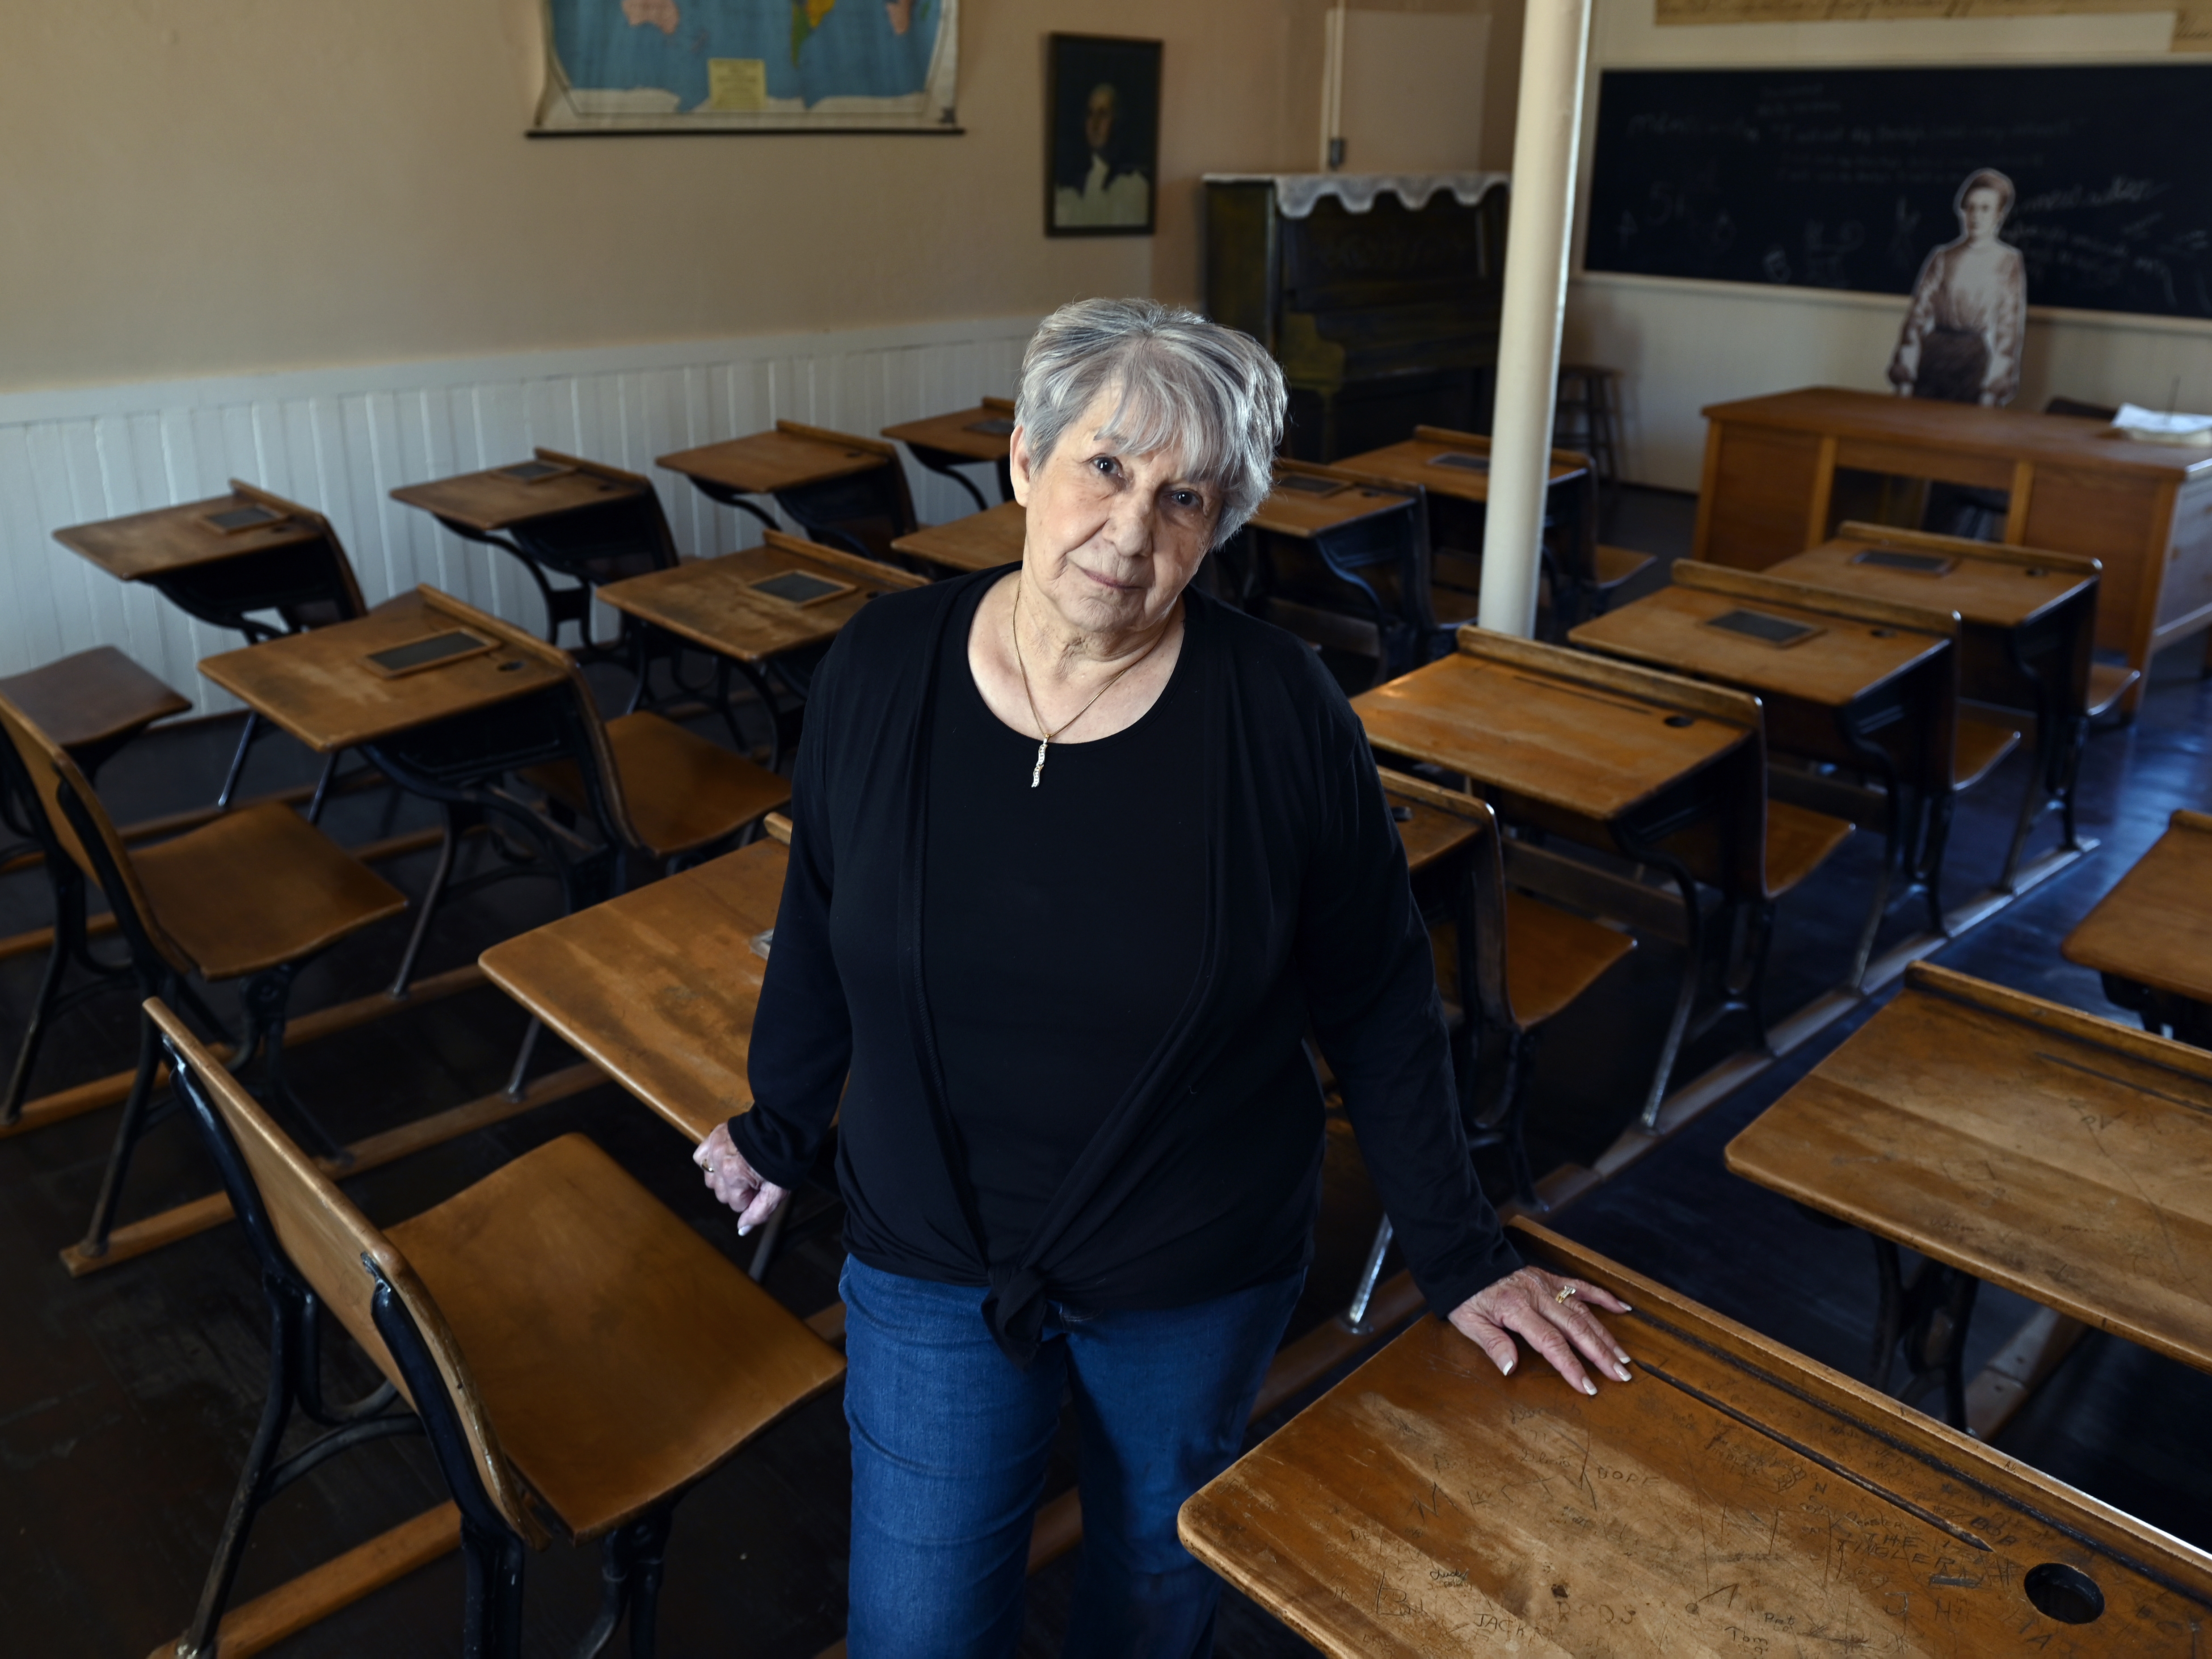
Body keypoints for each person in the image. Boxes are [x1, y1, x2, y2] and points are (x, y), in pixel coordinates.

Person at [693, 298, 1631, 1656]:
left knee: (1152, 1591)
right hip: (930, 1257)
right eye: (1104, 465)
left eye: (1184, 496)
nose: (1131, 530)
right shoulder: (883, 669)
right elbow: (825, 907)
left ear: (1222, 523)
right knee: (916, 1629)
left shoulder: (1276, 708)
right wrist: (782, 1120)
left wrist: (1461, 1251)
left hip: (1188, 1268)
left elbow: (1374, 996)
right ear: (1022, 459)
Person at [1889, 168, 2027, 407]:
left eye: (1985, 209)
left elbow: (2009, 328)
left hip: (1972, 362)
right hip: (1933, 356)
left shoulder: (2008, 261)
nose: (1976, 216)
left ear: (1999, 216)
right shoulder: (1943, 256)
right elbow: (1917, 316)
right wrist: (1906, 373)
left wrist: (1994, 387)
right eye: (1970, 207)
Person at [1053, 82, 1150, 229]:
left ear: (1117, 120)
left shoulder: (1134, 182)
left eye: (1103, 114)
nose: (1095, 123)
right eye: (1091, 114)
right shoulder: (1075, 184)